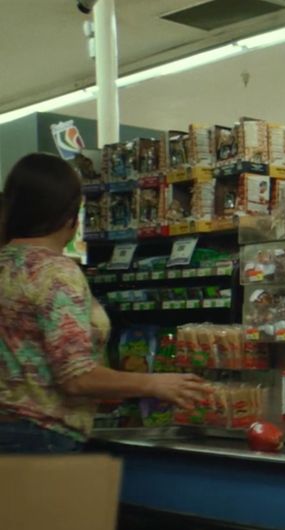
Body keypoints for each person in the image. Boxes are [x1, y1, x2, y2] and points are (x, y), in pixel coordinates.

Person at [0, 153, 210, 453]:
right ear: (70, 215)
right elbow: (76, 378)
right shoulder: (55, 273)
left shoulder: (7, 265)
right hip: (41, 438)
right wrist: (154, 384)